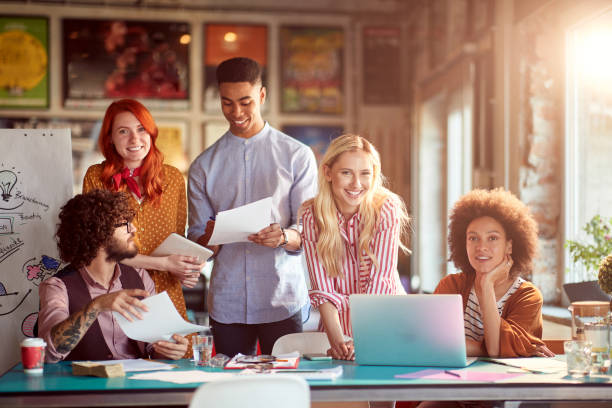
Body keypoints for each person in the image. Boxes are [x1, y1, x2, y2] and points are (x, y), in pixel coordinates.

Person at [188, 57, 318, 357]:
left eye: (245, 102)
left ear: (262, 95)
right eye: (227, 103)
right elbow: (199, 243)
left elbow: (308, 230)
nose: (236, 112)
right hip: (227, 302)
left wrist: (284, 236)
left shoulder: (296, 156)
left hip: (282, 297)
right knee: (230, 392)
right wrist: (210, 237)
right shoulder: (203, 166)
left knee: (285, 392)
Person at [83, 98, 203, 358]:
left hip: (166, 296)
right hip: (118, 295)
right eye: (123, 131)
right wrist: (165, 264)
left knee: (176, 369)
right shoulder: (96, 177)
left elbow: (176, 239)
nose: (134, 138)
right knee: (123, 366)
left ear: (151, 133)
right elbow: (99, 249)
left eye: (141, 129)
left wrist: (185, 271)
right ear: (110, 138)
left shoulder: (172, 178)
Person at [38, 190, 188, 362]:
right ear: (98, 233)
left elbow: (153, 346)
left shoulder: (139, 276)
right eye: (125, 224)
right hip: (83, 387)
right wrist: (96, 306)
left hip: (135, 385)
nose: (133, 229)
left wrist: (169, 350)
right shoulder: (58, 286)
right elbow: (48, 353)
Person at [301, 134, 411, 361]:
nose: (356, 184)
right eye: (346, 173)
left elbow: (380, 281)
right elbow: (322, 289)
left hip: (383, 319)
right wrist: (338, 341)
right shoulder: (311, 214)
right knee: (340, 393)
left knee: (380, 393)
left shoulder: (386, 208)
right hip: (335, 328)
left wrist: (364, 340)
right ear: (328, 173)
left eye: (365, 174)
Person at [435, 188, 554, 359]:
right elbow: (434, 342)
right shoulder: (451, 286)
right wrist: (487, 348)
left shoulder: (528, 296)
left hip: (505, 383)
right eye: (473, 238)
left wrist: (487, 285)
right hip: (453, 380)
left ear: (509, 246)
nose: (481, 247)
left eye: (492, 238)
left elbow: (495, 350)